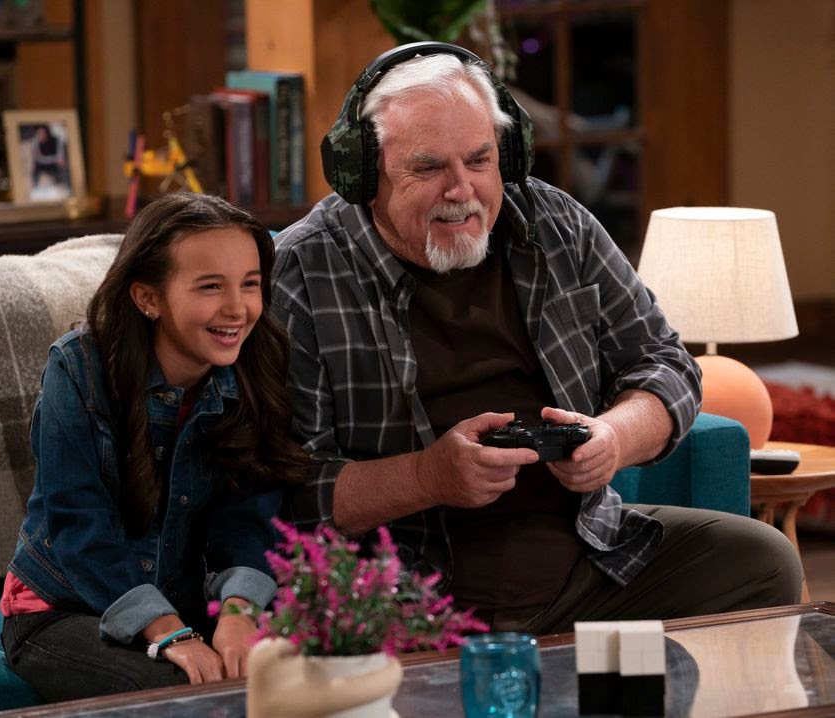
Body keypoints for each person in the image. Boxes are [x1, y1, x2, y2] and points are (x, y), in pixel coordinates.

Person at [270, 43, 802, 634]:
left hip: (588, 565)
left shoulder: (557, 225)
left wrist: (613, 438)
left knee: (763, 562)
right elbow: (287, 490)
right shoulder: (301, 270)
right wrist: (427, 477)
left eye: (479, 160)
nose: (462, 189)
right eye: (428, 168)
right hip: (401, 595)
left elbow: (665, 364)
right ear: (363, 173)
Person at [1, 193, 307, 700]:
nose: (238, 308)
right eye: (211, 286)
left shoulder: (257, 367)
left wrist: (239, 613)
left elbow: (248, 518)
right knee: (182, 692)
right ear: (148, 298)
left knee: (307, 672)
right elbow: (80, 527)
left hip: (184, 609)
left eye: (250, 284)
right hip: (62, 609)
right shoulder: (78, 369)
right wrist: (170, 633)